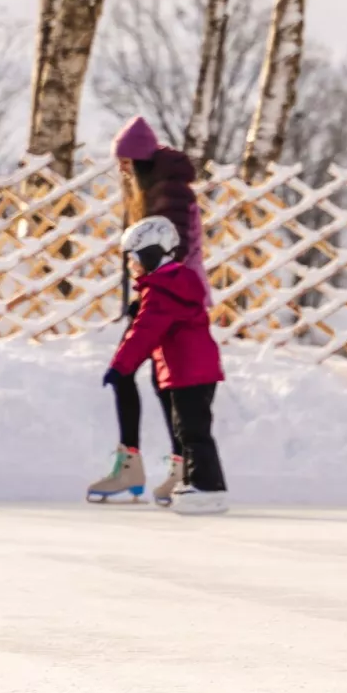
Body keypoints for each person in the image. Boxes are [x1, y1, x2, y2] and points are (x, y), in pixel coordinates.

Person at [87, 116, 210, 507]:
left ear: (139, 160)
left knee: (131, 373)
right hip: (166, 294)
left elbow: (172, 248)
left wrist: (148, 295)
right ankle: (170, 465)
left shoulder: (168, 191)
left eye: (125, 162)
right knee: (161, 381)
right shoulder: (156, 188)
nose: (120, 169)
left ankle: (148, 464)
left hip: (171, 298)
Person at [102, 217, 230, 516]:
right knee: (189, 430)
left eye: (134, 258)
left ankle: (208, 487)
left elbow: (144, 332)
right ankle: (195, 481)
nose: (131, 266)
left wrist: (120, 367)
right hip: (190, 370)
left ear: (153, 253)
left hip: (190, 372)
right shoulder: (173, 283)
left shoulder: (163, 290)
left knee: (193, 432)